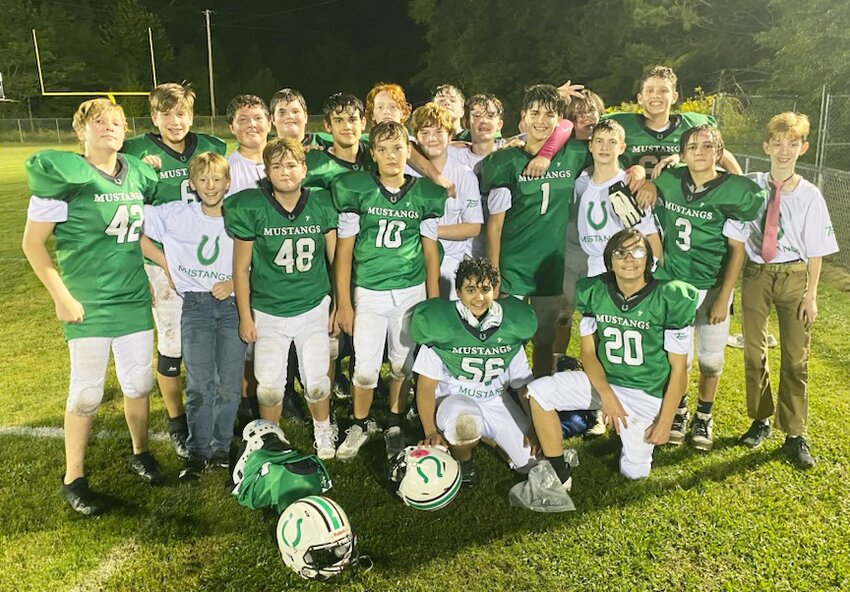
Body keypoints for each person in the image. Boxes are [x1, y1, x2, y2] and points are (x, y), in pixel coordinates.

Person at [22, 98, 164, 515]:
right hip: (88, 301)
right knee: (86, 393)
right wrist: (61, 296)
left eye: (117, 122)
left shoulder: (135, 173)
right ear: (80, 131)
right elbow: (32, 245)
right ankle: (74, 477)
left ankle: (141, 453)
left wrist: (164, 264)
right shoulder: (66, 174)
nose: (109, 127)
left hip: (133, 296)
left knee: (139, 384)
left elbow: (132, 233)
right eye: (99, 122)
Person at [524, 229, 697, 489]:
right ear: (609, 260)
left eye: (637, 251)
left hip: (644, 393)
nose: (629, 258)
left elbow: (678, 370)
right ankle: (560, 471)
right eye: (620, 252)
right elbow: (589, 354)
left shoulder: (669, 297)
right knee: (539, 392)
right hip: (604, 383)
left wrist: (665, 422)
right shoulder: (595, 291)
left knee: (634, 473)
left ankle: (634, 434)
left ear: (648, 260)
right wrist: (607, 397)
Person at [726, 112, 839, 468]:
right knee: (753, 353)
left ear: (802, 148)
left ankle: (794, 432)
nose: (784, 150)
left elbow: (817, 249)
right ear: (766, 147)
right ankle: (759, 420)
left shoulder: (809, 195)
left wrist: (811, 295)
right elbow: (721, 171)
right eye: (777, 143)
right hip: (757, 275)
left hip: (794, 277)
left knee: (795, 357)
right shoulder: (752, 184)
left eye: (792, 144)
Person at [122, 82, 227, 461]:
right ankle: (176, 421)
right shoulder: (136, 151)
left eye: (181, 113)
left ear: (192, 115)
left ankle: (213, 414)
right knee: (172, 347)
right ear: (153, 116)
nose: (174, 120)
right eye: (166, 114)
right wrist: (134, 166)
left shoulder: (212, 145)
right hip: (162, 265)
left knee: (214, 342)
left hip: (208, 263)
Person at [646, 125, 766, 450]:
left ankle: (704, 415)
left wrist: (724, 296)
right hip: (675, 285)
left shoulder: (735, 191)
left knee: (711, 360)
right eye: (693, 146)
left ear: (719, 152)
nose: (700, 151)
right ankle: (680, 411)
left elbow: (737, 251)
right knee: (679, 360)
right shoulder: (669, 181)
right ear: (682, 153)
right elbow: (648, 198)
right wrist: (646, 183)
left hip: (712, 286)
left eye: (708, 146)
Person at [333, 121, 447, 460]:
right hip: (369, 290)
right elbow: (344, 253)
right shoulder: (357, 189)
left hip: (410, 290)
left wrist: (433, 300)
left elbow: (430, 252)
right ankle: (359, 423)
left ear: (408, 151)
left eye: (397, 148)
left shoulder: (425, 192)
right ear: (373, 154)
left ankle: (395, 422)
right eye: (382, 149)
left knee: (402, 364)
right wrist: (343, 302)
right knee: (365, 368)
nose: (391, 155)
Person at [225, 138, 339, 460]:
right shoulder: (252, 207)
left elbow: (336, 259)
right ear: (267, 172)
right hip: (268, 309)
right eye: (277, 166)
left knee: (316, 379)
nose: (285, 172)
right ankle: (270, 440)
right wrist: (246, 316)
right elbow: (240, 267)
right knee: (269, 385)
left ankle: (323, 429)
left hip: (313, 305)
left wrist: (338, 303)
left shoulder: (320, 203)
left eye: (291, 165)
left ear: (304, 168)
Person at [140, 152, 245, 479]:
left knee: (228, 383)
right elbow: (132, 217)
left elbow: (259, 261)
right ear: (192, 184)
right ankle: (198, 451)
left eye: (217, 179)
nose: (210, 186)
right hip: (196, 308)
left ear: (228, 183)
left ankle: (221, 447)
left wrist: (233, 283)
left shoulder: (240, 216)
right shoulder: (176, 214)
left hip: (232, 307)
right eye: (203, 180)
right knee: (200, 383)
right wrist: (165, 262)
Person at [479, 83, 588, 377]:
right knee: (507, 338)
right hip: (513, 264)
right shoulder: (505, 161)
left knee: (544, 339)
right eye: (535, 113)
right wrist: (493, 270)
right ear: (523, 117)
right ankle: (504, 395)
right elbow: (495, 225)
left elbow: (572, 127)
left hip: (549, 266)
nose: (541, 120)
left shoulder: (572, 154)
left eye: (549, 114)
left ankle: (541, 396)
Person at [412, 257, 538, 486]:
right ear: (458, 292)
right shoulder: (443, 324)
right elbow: (425, 386)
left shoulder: (509, 326)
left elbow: (522, 385)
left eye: (485, 289)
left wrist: (534, 424)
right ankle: (465, 460)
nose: (479, 297)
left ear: (495, 291)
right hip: (454, 399)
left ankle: (490, 441)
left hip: (494, 399)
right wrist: (430, 430)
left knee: (532, 463)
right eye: (471, 290)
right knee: (465, 424)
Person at [605, 65, 742, 178]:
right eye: (650, 90)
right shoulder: (620, 124)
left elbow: (721, 155)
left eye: (663, 90)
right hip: (631, 202)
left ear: (674, 97)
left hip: (679, 205)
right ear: (640, 98)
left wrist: (741, 185)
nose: (656, 95)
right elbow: (586, 123)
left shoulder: (691, 125)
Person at [410, 102, 483, 299]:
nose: (432, 138)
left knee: (446, 320)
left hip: (450, 260)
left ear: (450, 135)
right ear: (416, 137)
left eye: (439, 132)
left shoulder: (464, 175)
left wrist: (429, 232)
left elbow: (474, 227)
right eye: (424, 132)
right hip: (411, 259)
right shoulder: (406, 171)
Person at [575, 119, 661, 277]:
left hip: (627, 266)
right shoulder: (581, 184)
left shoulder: (631, 185)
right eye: (599, 141)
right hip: (594, 267)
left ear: (622, 148)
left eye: (612, 142)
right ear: (590, 146)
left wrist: (651, 273)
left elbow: (650, 234)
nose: (604, 147)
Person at [304, 93, 373, 190]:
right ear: (328, 126)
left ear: (363, 123)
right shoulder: (313, 167)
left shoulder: (377, 154)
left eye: (352, 120)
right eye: (339, 121)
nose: (347, 127)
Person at [225, 94, 272, 196]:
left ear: (269, 124)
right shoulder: (225, 171)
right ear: (232, 128)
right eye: (243, 120)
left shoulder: (286, 164)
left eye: (258, 118)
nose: (252, 124)